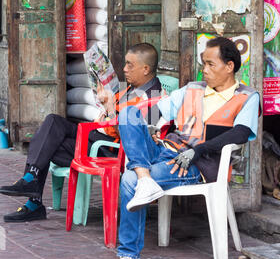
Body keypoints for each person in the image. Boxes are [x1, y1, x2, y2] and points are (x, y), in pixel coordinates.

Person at [107, 37, 260, 259]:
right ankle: (145, 179)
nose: (205, 70)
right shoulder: (193, 89)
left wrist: (199, 150)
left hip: (197, 164)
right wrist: (148, 124)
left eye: (211, 64)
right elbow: (155, 112)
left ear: (229, 66)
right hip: (167, 149)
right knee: (128, 112)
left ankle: (129, 258)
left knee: (128, 178)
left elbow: (240, 133)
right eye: (203, 64)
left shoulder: (247, 97)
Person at [0, 43, 162, 222]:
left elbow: (135, 139)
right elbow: (112, 116)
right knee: (52, 124)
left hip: (112, 150)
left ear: (146, 69)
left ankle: (33, 196)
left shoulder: (155, 98)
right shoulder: (129, 88)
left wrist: (109, 110)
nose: (124, 69)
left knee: (47, 142)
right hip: (98, 137)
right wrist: (105, 106)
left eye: (130, 64)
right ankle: (31, 182)